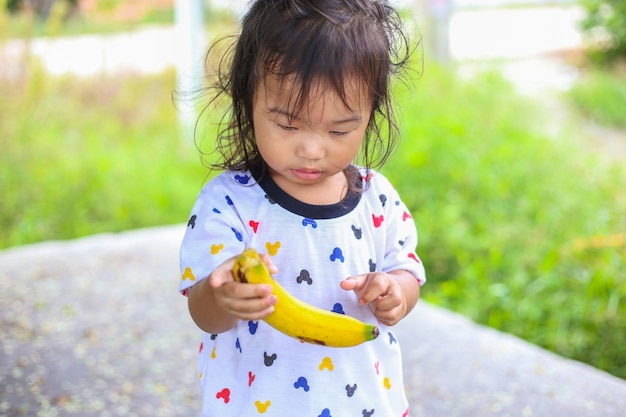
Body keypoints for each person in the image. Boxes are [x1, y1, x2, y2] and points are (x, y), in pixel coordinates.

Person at [179, 0, 426, 415]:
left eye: (339, 129)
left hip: (362, 402)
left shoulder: (376, 198)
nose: (311, 149)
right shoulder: (230, 202)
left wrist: (396, 292)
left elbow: (406, 269)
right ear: (247, 100)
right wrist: (224, 296)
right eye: (288, 124)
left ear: (369, 116)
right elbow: (203, 312)